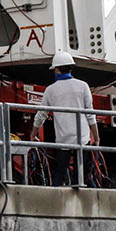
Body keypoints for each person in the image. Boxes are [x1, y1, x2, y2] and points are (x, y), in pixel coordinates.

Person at [33, 51, 98, 187]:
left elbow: (41, 115)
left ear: (56, 69)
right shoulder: (83, 86)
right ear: (70, 67)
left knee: (60, 172)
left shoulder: (51, 90)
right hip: (82, 138)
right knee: (83, 174)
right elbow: (90, 114)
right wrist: (96, 137)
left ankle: (56, 196)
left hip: (63, 139)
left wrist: (33, 134)